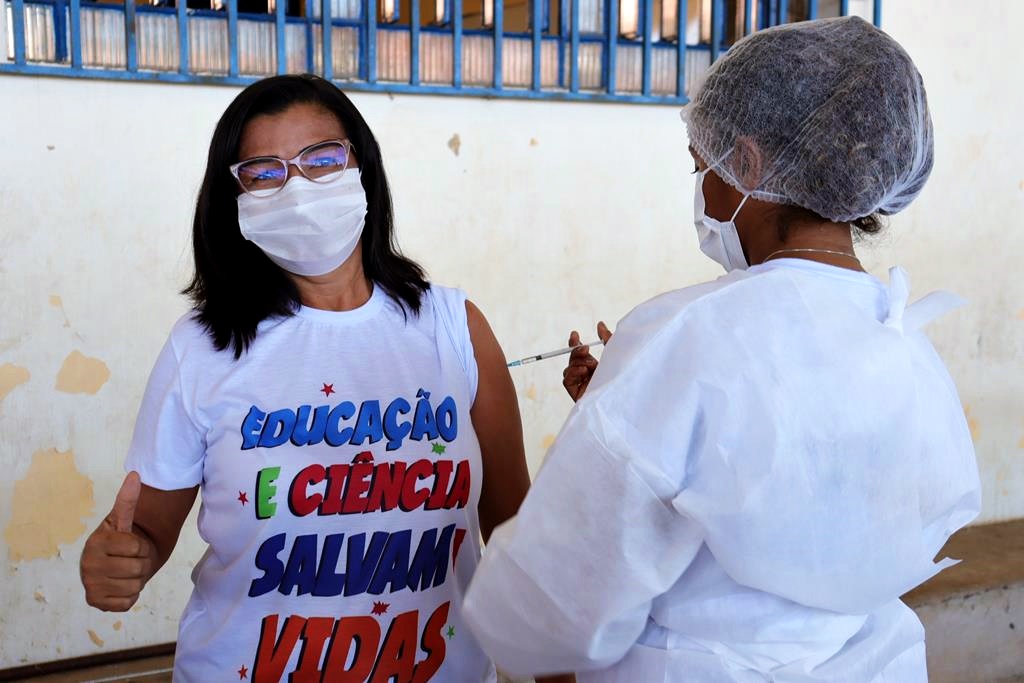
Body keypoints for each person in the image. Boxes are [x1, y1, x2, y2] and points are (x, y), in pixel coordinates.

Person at [463, 16, 980, 682]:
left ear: (749, 163)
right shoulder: (906, 342)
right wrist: (629, 396)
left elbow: (552, 609)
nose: (702, 191)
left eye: (702, 166)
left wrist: (629, 402)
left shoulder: (684, 336)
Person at [78, 74, 571, 683]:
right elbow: (146, 530)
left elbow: (514, 534)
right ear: (234, 199)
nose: (297, 188)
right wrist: (121, 561)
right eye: (264, 172)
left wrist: (556, 671)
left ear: (360, 165)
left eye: (321, 159)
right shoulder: (201, 349)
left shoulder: (455, 328)